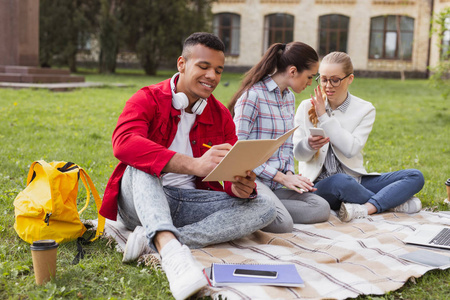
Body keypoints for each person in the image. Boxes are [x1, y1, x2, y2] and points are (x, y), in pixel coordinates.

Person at [99, 32, 277, 300]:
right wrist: (194, 165)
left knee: (264, 206)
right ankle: (173, 256)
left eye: (218, 70)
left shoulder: (221, 115)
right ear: (181, 64)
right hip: (138, 200)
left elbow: (228, 169)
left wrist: (238, 185)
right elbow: (123, 143)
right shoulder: (147, 98)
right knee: (142, 165)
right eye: (203, 67)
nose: (213, 77)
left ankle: (159, 241)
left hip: (188, 203)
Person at [293, 51, 425, 222]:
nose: (328, 85)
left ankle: (367, 208)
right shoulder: (305, 107)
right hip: (319, 185)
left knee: (415, 176)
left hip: (356, 181)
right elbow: (297, 154)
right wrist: (309, 145)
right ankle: (392, 203)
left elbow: (350, 149)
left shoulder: (365, 109)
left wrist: (324, 117)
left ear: (350, 79)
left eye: (335, 79)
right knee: (340, 181)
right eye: (324, 79)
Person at [228, 42, 330, 233]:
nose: (310, 83)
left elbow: (286, 145)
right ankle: (251, 206)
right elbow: (237, 150)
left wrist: (290, 175)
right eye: (309, 77)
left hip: (278, 183)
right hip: (253, 181)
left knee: (321, 208)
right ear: (292, 71)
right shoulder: (253, 96)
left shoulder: (289, 98)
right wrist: (281, 177)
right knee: (283, 224)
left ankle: (266, 209)